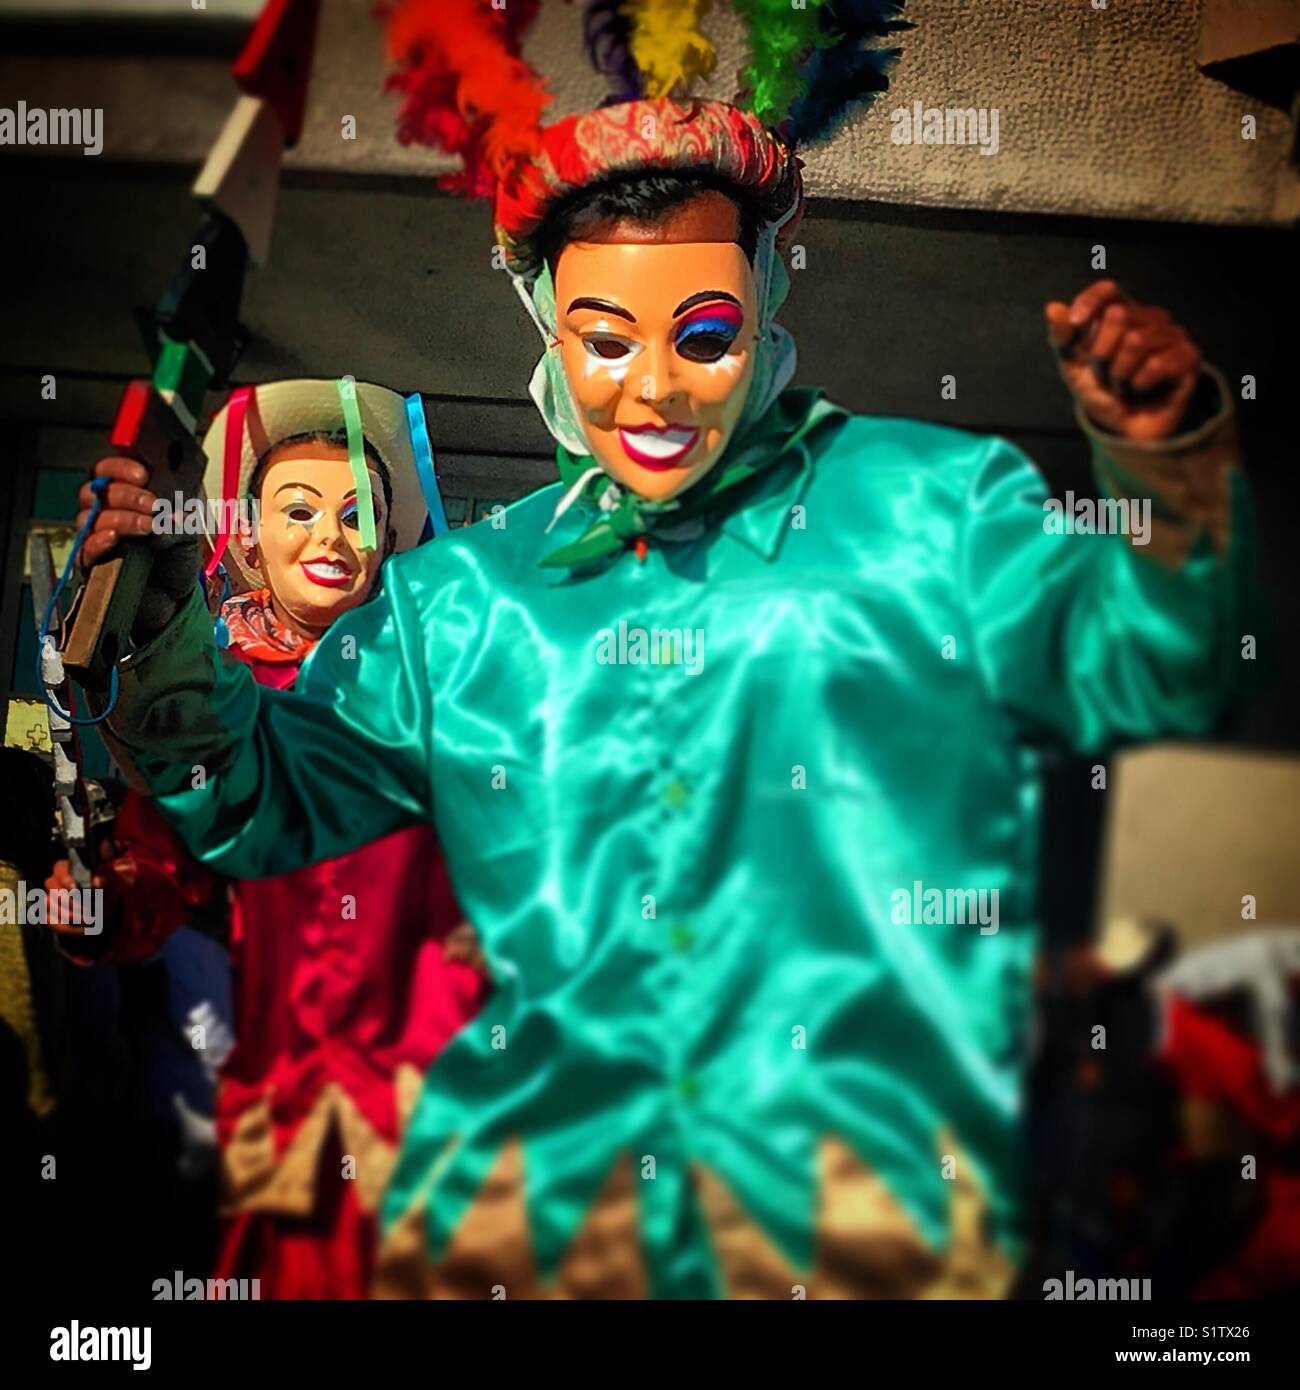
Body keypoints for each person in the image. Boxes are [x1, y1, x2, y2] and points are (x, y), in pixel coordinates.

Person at [72, 99, 1257, 1299]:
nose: (652, 393)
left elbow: (1151, 667)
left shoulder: (932, 514)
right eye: (603, 340)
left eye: (700, 336)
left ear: (764, 305)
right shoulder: (458, 606)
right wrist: (168, 619)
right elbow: (263, 797)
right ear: (547, 332)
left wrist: (1170, 469)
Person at [56, 378, 488, 1298]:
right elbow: (162, 864)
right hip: (281, 1125)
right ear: (248, 532)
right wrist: (105, 905)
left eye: (355, 512)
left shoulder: (451, 688)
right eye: (299, 509)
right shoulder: (208, 700)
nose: (330, 537)